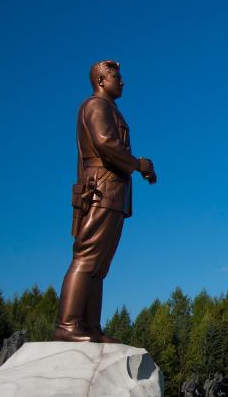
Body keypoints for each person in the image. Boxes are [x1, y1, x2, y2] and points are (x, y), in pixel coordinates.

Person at [55, 61, 156, 343]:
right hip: (101, 188)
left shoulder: (111, 109)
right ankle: (67, 325)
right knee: (87, 257)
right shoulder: (96, 106)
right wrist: (138, 164)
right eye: (116, 77)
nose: (122, 82)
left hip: (112, 191)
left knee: (99, 266)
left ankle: (89, 326)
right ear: (101, 80)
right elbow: (105, 143)